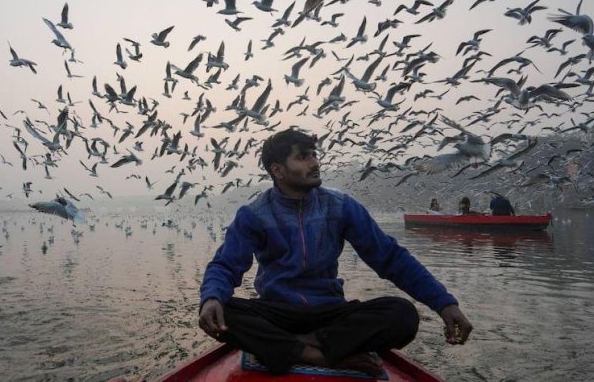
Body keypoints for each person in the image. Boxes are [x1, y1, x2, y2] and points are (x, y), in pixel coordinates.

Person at [198, 129, 472, 376]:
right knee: (225, 311)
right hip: (278, 311)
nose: (315, 163)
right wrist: (211, 298)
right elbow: (225, 265)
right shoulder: (254, 215)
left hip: (330, 311)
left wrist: (444, 303)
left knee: (402, 314)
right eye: (303, 157)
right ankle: (319, 353)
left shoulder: (340, 206)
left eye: (314, 156)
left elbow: (390, 258)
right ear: (278, 170)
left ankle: (301, 345)